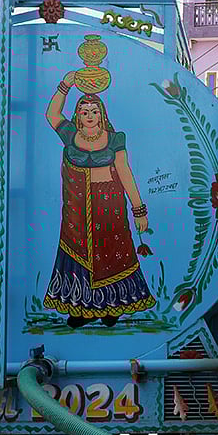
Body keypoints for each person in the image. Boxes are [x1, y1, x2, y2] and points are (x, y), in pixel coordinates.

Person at [43, 72, 155, 328]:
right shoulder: (70, 135)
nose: (89, 115)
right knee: (78, 257)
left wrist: (139, 209)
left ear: (102, 114)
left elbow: (125, 172)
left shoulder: (115, 140)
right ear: (78, 116)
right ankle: (82, 309)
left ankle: (112, 307)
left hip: (109, 209)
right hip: (77, 212)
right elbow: (52, 116)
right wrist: (65, 84)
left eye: (94, 110)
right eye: (84, 112)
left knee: (114, 256)